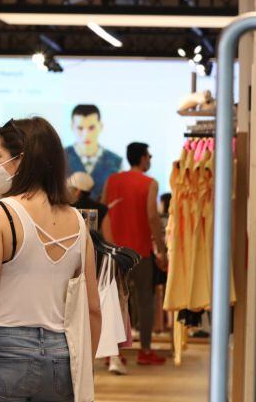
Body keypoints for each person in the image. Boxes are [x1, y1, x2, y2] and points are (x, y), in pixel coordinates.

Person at [0, 117, 101, 401]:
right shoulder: (78, 223)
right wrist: (83, 367)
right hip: (60, 356)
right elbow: (93, 308)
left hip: (2, 351)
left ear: (22, 160)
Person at [103, 142, 168, 367]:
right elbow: (152, 217)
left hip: (114, 252)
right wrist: (161, 248)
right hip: (140, 251)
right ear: (142, 158)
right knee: (145, 301)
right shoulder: (150, 183)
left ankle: (114, 352)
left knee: (116, 301)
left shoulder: (112, 181)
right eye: (149, 156)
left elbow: (104, 211)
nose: (150, 159)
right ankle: (146, 350)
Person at [65, 104, 122, 200]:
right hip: (68, 213)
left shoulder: (116, 162)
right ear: (72, 127)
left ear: (100, 126)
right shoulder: (60, 158)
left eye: (91, 128)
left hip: (104, 214)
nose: (86, 134)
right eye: (80, 128)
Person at [68, 171, 111, 237]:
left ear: (77, 191)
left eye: (70, 189)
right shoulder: (102, 209)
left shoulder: (68, 210)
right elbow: (108, 238)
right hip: (93, 247)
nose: (68, 191)